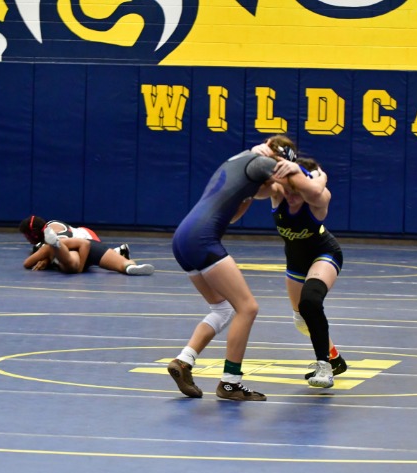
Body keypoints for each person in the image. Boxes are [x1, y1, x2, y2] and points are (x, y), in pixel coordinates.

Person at [168, 134, 301, 401]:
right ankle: (230, 383)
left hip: (182, 237)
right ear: (279, 158)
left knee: (222, 309)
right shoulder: (261, 161)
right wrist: (305, 173)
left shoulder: (240, 161)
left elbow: (234, 215)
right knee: (247, 308)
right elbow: (294, 184)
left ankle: (184, 361)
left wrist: (256, 192)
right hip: (202, 238)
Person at [252, 153, 346, 388]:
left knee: (310, 302)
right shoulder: (277, 192)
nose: (291, 196)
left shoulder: (318, 199)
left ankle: (324, 367)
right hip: (295, 260)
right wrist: (264, 156)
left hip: (324, 253)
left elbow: (318, 187)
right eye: (288, 189)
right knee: (302, 321)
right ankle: (335, 359)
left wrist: (318, 177)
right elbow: (254, 187)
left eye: (298, 190)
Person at [23, 228, 154, 275]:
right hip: (90, 248)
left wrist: (80, 269)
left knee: (71, 264)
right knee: (121, 264)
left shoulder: (47, 248)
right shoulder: (47, 251)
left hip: (83, 249)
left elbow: (27, 263)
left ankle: (57, 245)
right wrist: (46, 261)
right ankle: (130, 267)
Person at [19, 215, 130, 259]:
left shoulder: (54, 233)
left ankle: (118, 251)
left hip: (88, 238)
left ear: (34, 233)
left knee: (78, 258)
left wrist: (46, 259)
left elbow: (62, 245)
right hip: (84, 232)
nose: (27, 239)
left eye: (27, 236)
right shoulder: (49, 227)